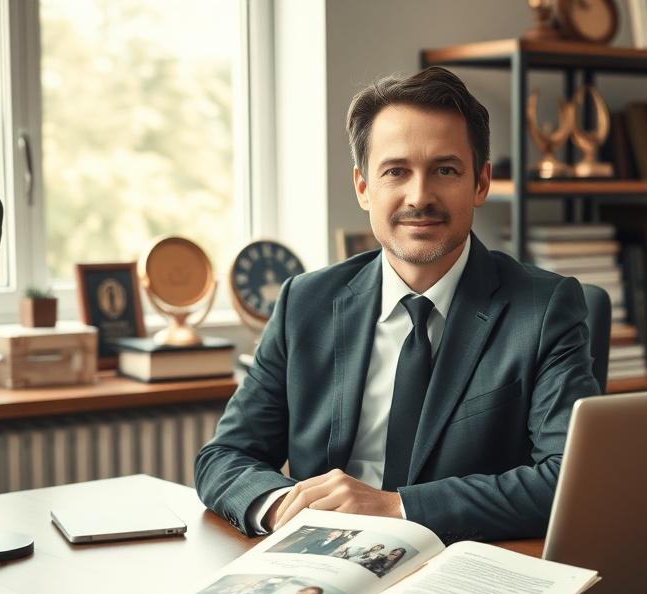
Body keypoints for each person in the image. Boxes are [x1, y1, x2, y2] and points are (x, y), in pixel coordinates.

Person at [195, 66, 599, 544]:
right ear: (365, 187)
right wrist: (288, 505)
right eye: (396, 171)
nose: (419, 196)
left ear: (481, 183)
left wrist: (396, 507)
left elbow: (569, 480)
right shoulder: (305, 302)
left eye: (445, 170)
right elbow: (223, 457)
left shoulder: (545, 308)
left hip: (462, 565)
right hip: (323, 559)